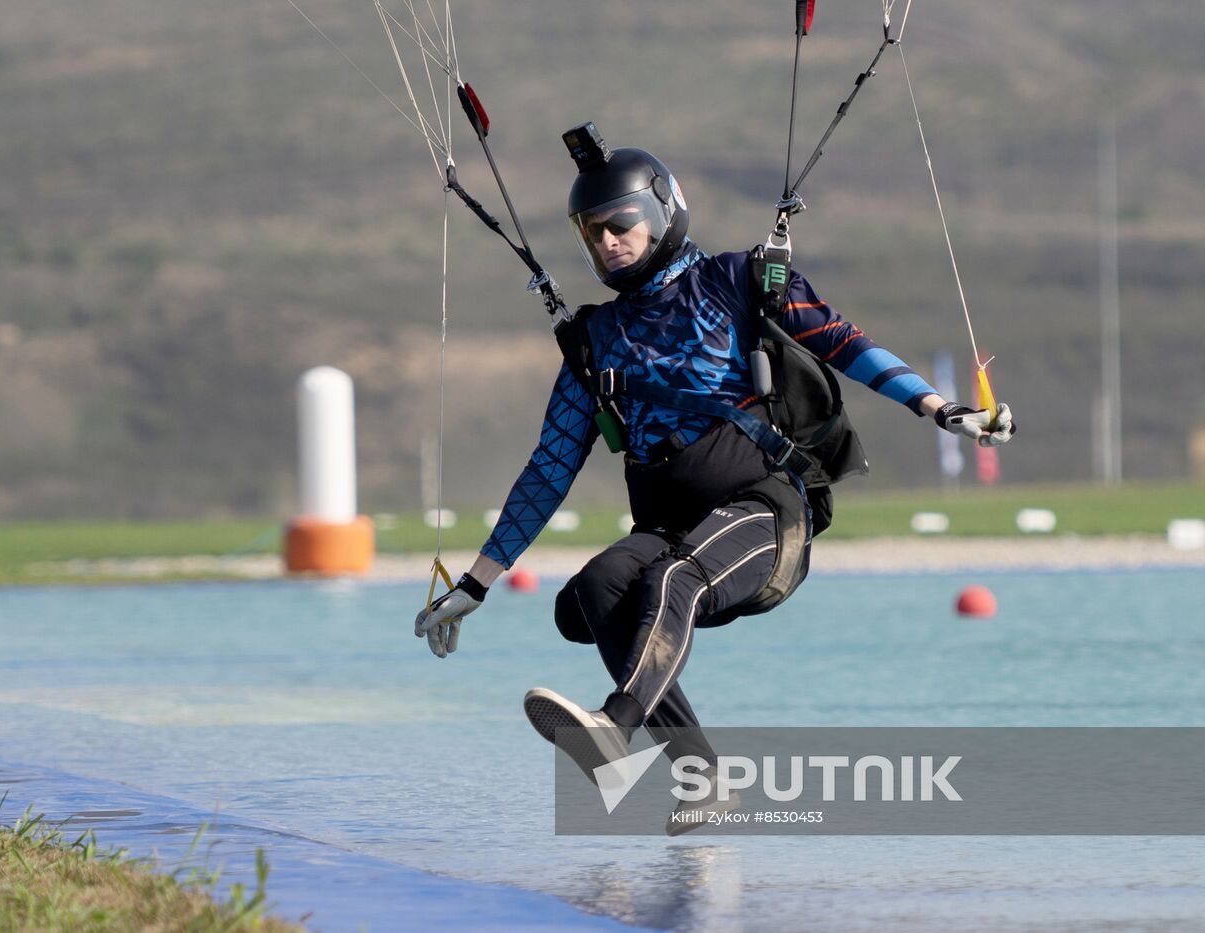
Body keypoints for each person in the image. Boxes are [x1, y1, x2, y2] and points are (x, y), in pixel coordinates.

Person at [413, 123, 1014, 831]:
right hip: (667, 524)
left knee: (673, 578)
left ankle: (614, 728)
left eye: (620, 225)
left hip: (763, 512)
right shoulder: (595, 339)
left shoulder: (737, 282)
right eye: (591, 233)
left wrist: (940, 408)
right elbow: (549, 467)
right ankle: (704, 780)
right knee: (598, 589)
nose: (606, 242)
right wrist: (476, 582)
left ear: (664, 211)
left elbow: (849, 346)